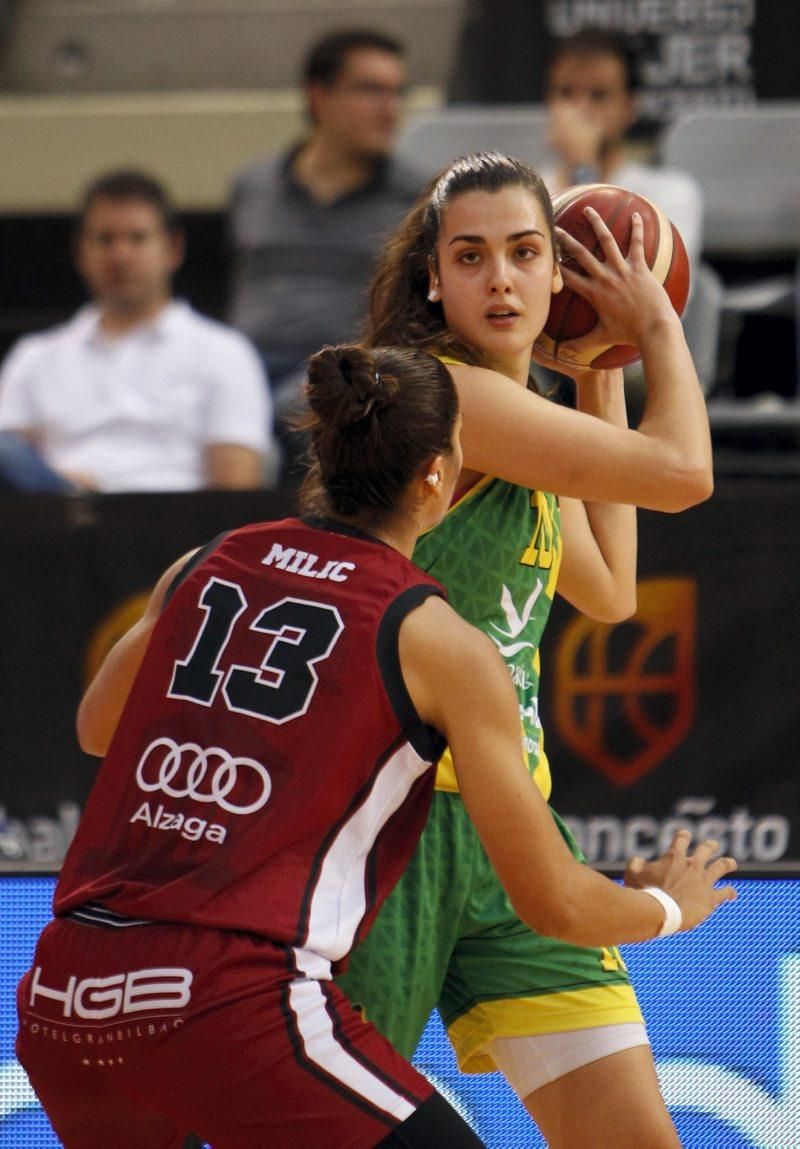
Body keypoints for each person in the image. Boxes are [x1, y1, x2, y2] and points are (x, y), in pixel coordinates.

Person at [15, 340, 735, 1149]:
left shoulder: (205, 561)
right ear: (439, 475)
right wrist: (675, 904)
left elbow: (96, 727)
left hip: (67, 992)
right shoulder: (437, 636)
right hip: (225, 1000)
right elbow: (558, 902)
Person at [337, 152, 718, 1148]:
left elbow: (608, 589)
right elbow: (679, 475)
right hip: (393, 829)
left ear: (556, 276)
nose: (499, 279)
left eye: (522, 254)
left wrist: (599, 377)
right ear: (433, 279)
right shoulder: (453, 397)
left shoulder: (525, 424)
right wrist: (657, 324)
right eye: (469, 257)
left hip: (510, 843)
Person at [0, 169, 277, 493]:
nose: (120, 255)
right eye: (105, 240)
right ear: (80, 253)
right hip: (59, 522)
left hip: (183, 529)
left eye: (138, 238)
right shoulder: (35, 356)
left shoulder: (225, 352)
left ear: (172, 249)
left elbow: (237, 491)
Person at [227, 28, 424, 469]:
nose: (390, 109)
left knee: (287, 411)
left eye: (398, 93)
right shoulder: (253, 186)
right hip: (246, 368)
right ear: (319, 97)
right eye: (372, 90)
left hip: (346, 374)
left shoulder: (414, 200)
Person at [542, 28, 702, 269]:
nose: (580, 109)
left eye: (598, 95)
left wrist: (583, 170)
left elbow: (657, 295)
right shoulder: (527, 196)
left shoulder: (667, 195)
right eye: (566, 94)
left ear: (629, 107)